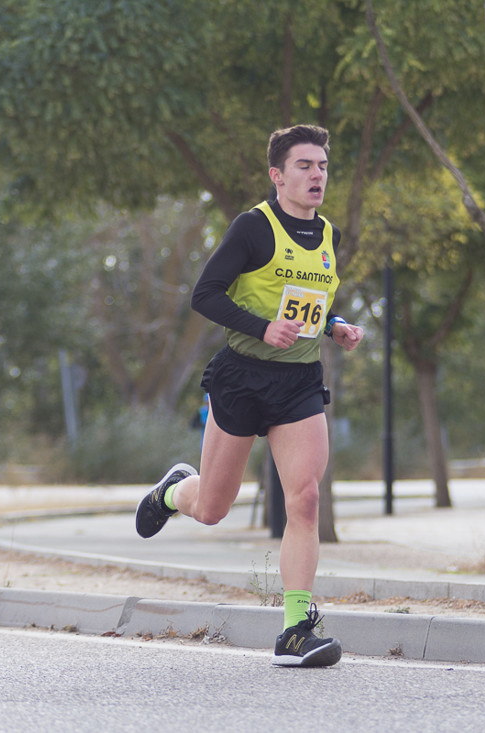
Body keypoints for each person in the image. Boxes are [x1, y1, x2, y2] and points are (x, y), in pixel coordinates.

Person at [135, 124, 365, 668]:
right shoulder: (253, 228)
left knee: (304, 498)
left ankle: (294, 630)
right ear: (277, 175)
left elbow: (309, 303)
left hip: (299, 381)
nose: (316, 175)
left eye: (323, 166)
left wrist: (334, 326)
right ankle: (173, 492)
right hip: (242, 375)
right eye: (304, 166)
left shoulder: (328, 234)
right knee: (213, 508)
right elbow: (206, 294)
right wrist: (262, 328)